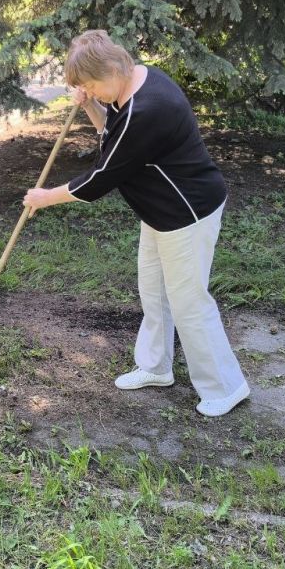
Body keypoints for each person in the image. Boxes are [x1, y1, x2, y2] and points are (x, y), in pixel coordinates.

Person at [23, 30, 250, 417]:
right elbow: (112, 134)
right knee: (154, 290)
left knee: (189, 302)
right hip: (160, 213)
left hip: (187, 215)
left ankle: (225, 387)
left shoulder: (147, 109)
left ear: (111, 67)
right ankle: (155, 367)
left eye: (93, 85)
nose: (92, 92)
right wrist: (91, 106)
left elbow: (101, 177)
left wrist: (45, 198)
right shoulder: (135, 82)